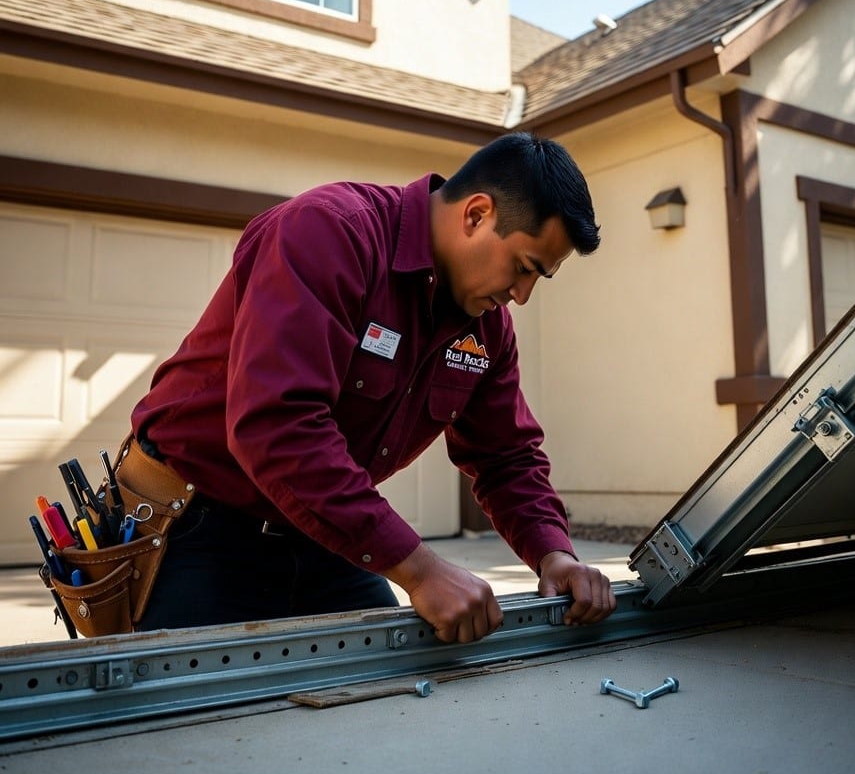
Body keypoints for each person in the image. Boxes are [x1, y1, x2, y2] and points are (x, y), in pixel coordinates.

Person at [128, 131, 616, 641]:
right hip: (194, 525)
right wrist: (421, 570)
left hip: (316, 525)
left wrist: (553, 552)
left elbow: (506, 455)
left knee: (387, 692)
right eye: (523, 268)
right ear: (476, 215)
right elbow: (278, 427)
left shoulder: (485, 326)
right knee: (200, 712)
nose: (522, 294)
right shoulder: (328, 233)